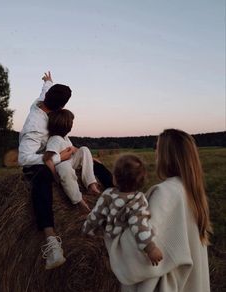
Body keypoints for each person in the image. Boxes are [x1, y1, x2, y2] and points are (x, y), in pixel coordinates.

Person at [18, 71, 113, 270]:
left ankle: (119, 197)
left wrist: (48, 81)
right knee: (42, 176)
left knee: (96, 163)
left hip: (60, 154)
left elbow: (46, 90)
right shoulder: (34, 126)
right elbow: (24, 158)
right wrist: (59, 157)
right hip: (38, 163)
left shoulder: (45, 99)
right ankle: (52, 243)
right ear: (61, 107)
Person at [105, 129, 212, 292]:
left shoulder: (167, 193)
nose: (155, 153)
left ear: (168, 155)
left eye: (158, 148)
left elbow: (138, 249)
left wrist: (111, 227)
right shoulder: (190, 191)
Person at [82, 154, 163, 267]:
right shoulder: (138, 199)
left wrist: (87, 229)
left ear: (114, 178)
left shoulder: (107, 194)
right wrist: (150, 247)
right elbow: (139, 224)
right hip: (128, 241)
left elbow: (96, 215)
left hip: (110, 237)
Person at [43, 108, 100, 212]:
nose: (72, 125)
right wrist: (55, 176)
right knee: (64, 167)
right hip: (60, 166)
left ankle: (91, 184)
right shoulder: (54, 140)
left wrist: (91, 158)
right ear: (65, 125)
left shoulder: (65, 137)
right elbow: (48, 160)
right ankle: (78, 200)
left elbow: (74, 149)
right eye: (71, 122)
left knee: (84, 149)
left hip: (71, 161)